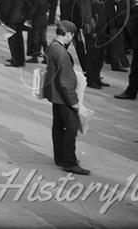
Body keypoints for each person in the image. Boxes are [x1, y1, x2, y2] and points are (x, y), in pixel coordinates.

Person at [43, 20, 89, 175]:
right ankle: (69, 162)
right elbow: (65, 82)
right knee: (71, 128)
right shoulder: (61, 52)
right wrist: (74, 103)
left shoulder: (53, 46)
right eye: (72, 35)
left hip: (55, 95)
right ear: (68, 34)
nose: (72, 38)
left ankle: (60, 157)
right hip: (63, 97)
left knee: (58, 126)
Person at [0, 0, 27, 67]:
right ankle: (21, 59)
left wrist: (2, 18)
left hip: (11, 18)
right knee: (19, 39)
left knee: (12, 40)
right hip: (20, 17)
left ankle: (15, 60)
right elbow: (27, 3)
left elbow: (6, 6)